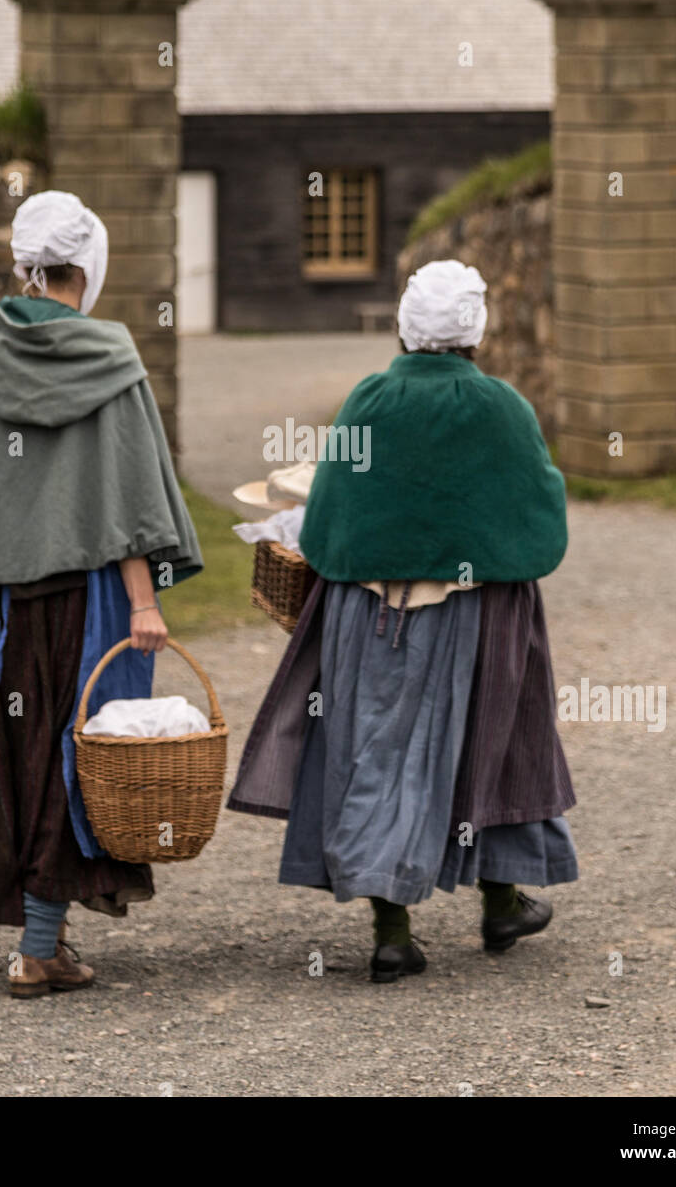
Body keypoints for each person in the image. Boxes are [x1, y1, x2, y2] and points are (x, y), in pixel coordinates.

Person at [0, 190, 202, 998]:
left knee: (0, 759)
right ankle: (36, 944)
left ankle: (38, 940)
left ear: (24, 266)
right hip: (79, 598)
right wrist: (144, 602)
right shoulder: (114, 359)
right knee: (69, 758)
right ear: (85, 266)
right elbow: (130, 500)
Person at [228, 259, 576, 982]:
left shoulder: (370, 401)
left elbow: (329, 516)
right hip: (478, 615)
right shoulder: (503, 407)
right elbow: (541, 515)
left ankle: (393, 932)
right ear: (475, 330)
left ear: (405, 326)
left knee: (374, 754)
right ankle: (501, 902)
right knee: (496, 740)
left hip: (373, 616)